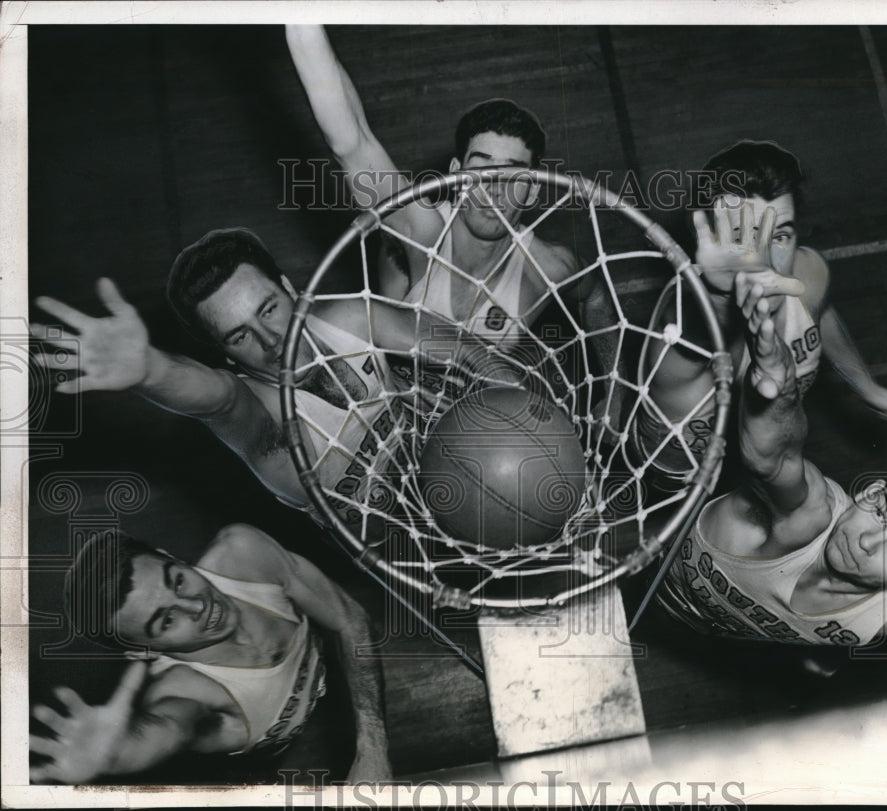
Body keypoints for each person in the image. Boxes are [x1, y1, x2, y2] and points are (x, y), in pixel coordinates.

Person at [31, 228, 519, 527]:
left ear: (291, 289)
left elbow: (468, 352)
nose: (270, 340)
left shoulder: (350, 318)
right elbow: (215, 400)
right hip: (402, 549)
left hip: (459, 465)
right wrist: (151, 372)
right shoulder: (258, 418)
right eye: (239, 336)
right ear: (222, 354)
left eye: (270, 308)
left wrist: (528, 408)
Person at [285, 25, 624, 428]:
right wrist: (301, 22)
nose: (493, 189)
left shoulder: (547, 267)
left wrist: (615, 391)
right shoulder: (424, 230)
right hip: (388, 417)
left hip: (474, 427)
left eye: (512, 176)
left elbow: (598, 298)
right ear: (454, 176)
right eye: (481, 169)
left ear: (534, 193)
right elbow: (351, 141)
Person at [650, 265, 887, 646]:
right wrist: (776, 383)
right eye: (881, 511)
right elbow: (773, 458)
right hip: (651, 568)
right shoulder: (808, 514)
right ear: (871, 490)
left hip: (703, 631)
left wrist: (816, 661)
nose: (867, 542)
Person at [635, 140, 887, 486]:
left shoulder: (808, 273)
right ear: (708, 242)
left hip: (766, 454)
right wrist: (720, 293)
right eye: (743, 238)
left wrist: (867, 387)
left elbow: (820, 318)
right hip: (683, 473)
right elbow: (704, 331)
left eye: (779, 235)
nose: (764, 259)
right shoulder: (682, 323)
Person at [29, 523, 391, 783]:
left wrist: (372, 750)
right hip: (283, 766)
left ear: (172, 557)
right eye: (167, 620)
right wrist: (117, 752)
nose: (195, 605)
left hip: (346, 696)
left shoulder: (243, 554)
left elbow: (350, 619)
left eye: (179, 580)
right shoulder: (186, 690)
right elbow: (167, 728)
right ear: (143, 652)